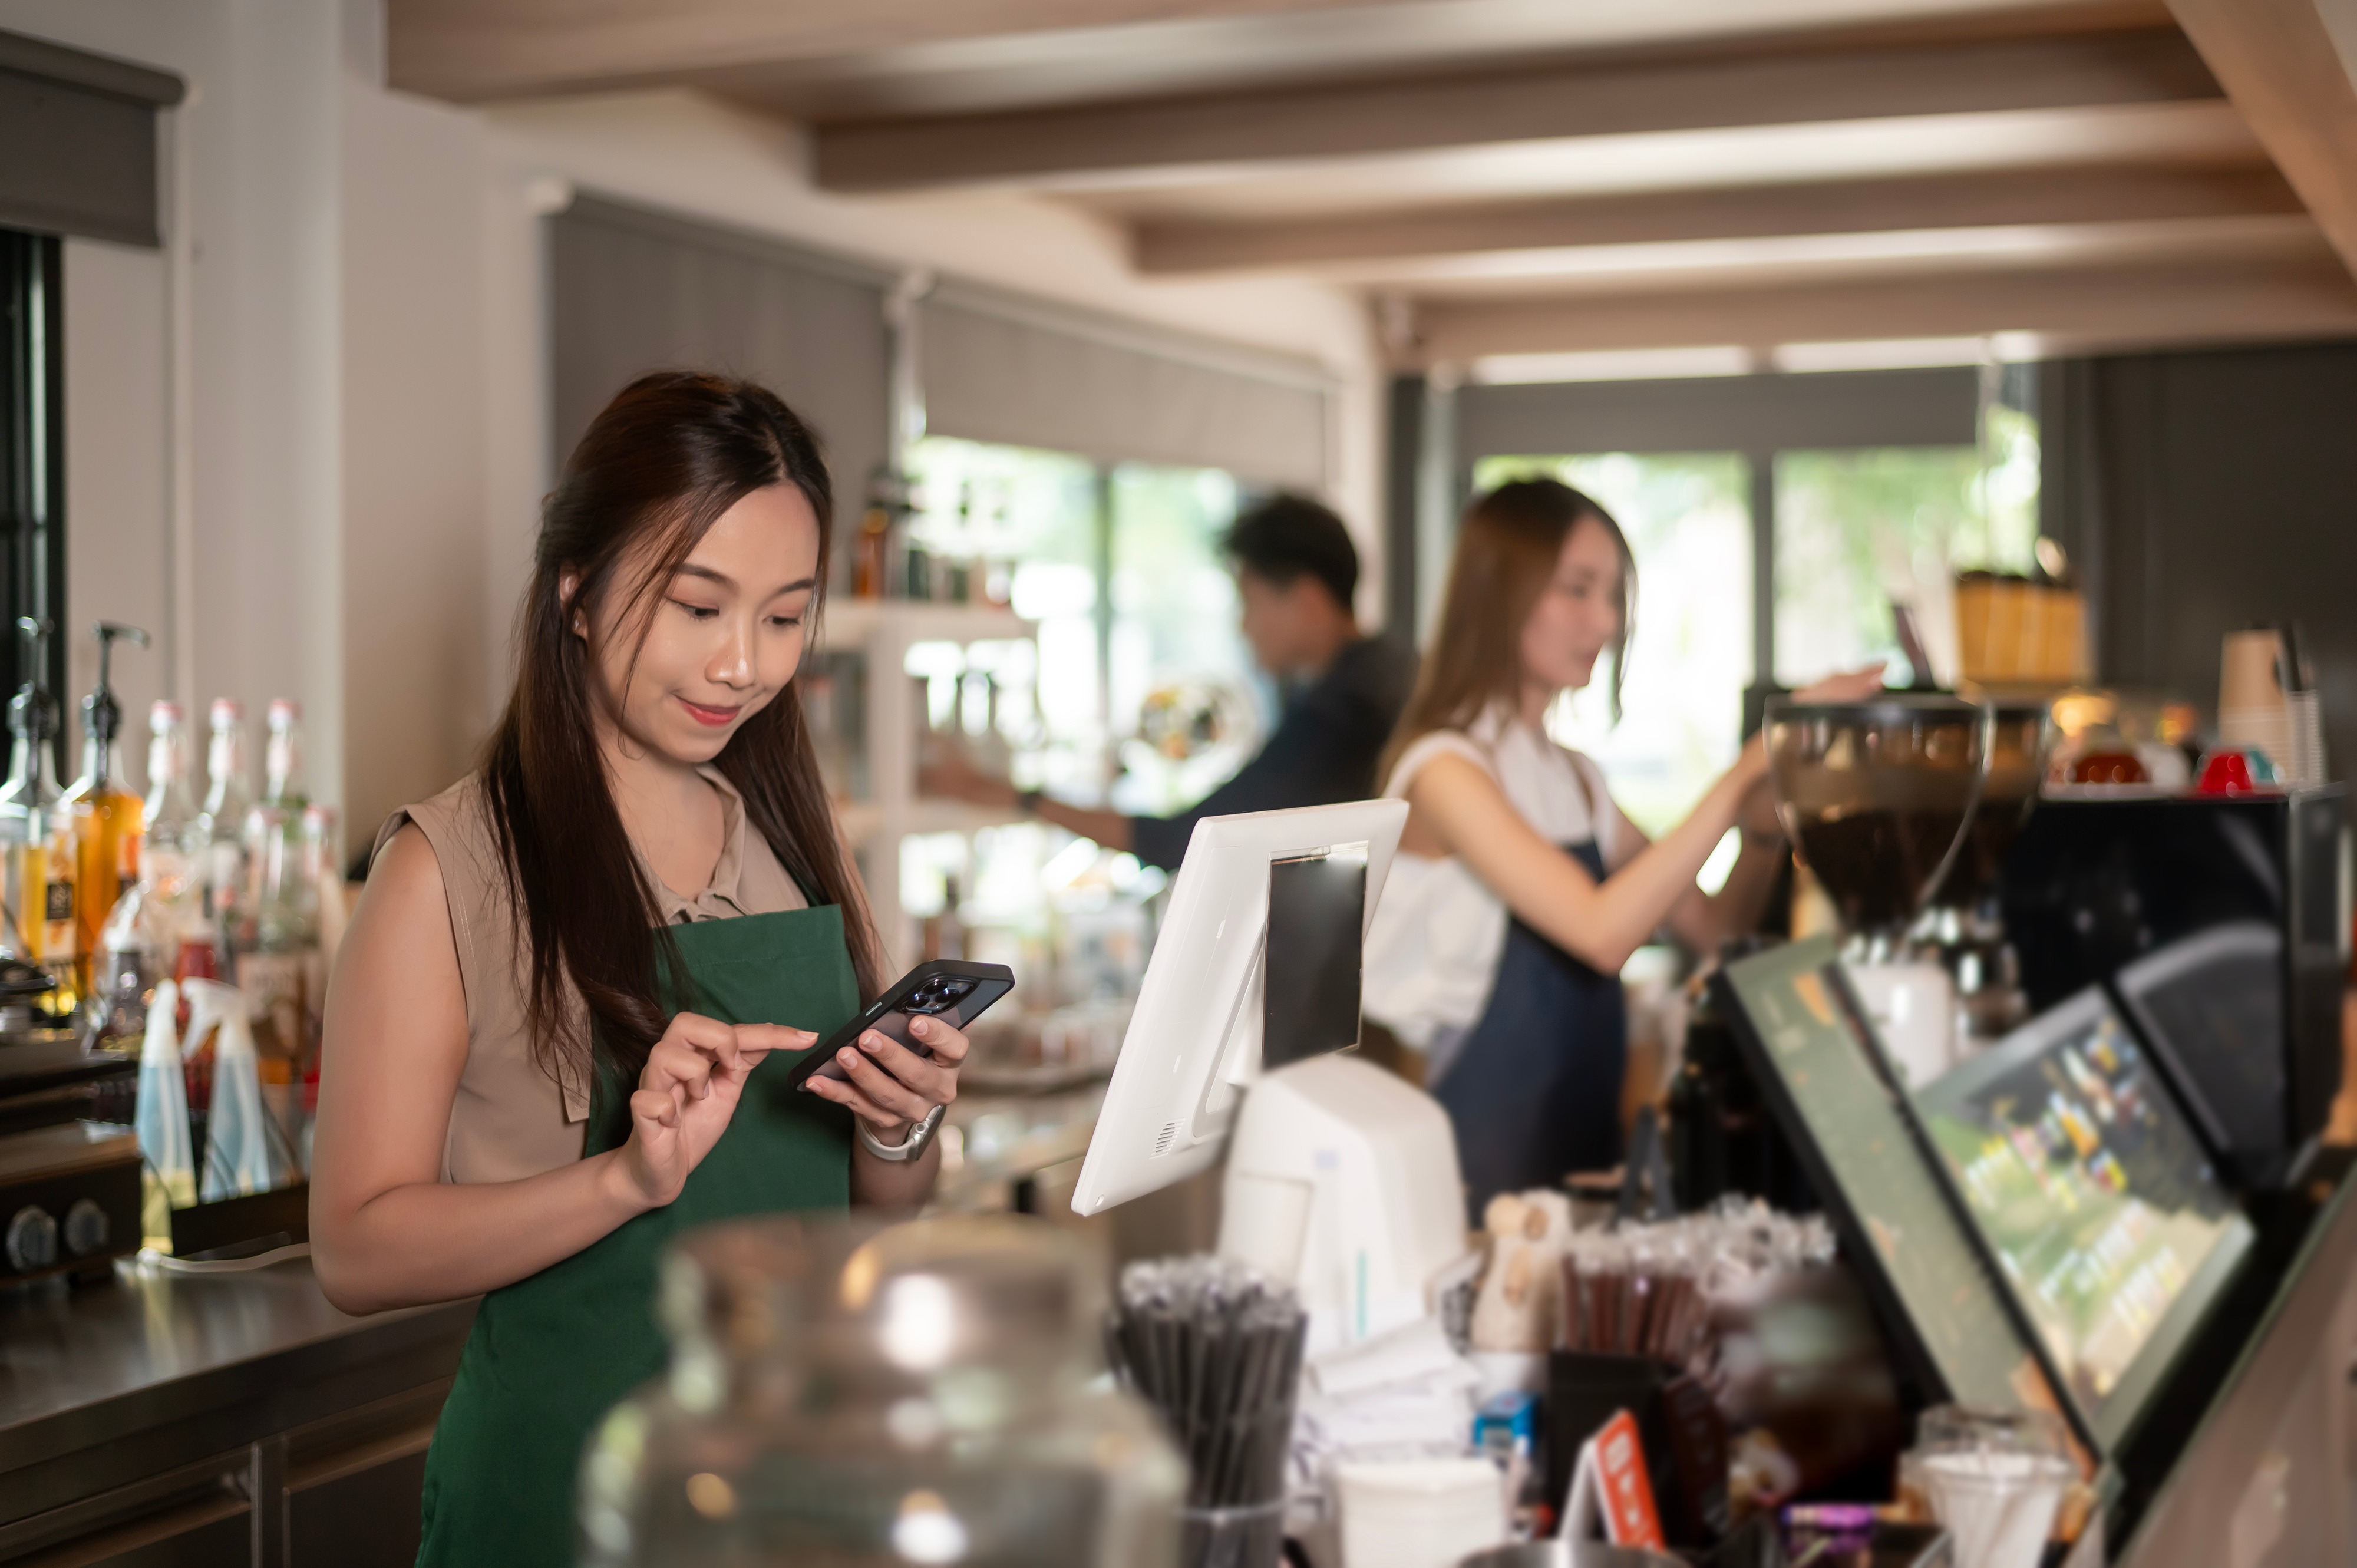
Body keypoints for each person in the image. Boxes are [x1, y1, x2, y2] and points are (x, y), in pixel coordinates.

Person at [309, 373, 971, 1567]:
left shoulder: (797, 850)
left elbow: (865, 1220)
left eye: (782, 617)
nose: (741, 664)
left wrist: (896, 1132)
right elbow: (354, 1247)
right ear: (576, 590)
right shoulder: (444, 870)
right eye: (696, 605)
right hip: (559, 1493)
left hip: (788, 1484)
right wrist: (625, 1179)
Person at [1363, 478, 1880, 1215]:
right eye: (1577, 589)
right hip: (1465, 1169)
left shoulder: (1575, 780)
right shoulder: (1445, 770)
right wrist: (1742, 773)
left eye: (1613, 595)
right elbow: (1602, 933)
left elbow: (1715, 930)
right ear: (1497, 591)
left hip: (1579, 1158)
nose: (1603, 620)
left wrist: (1762, 822)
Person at [925, 494, 1416, 870]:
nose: (1244, 627)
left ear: (1306, 599)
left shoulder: (1345, 712)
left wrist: (1019, 797)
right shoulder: (1392, 669)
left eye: (1250, 602)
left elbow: (1182, 840)